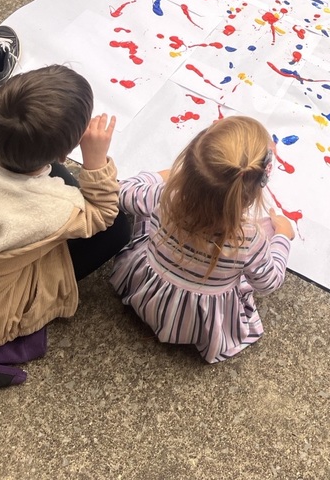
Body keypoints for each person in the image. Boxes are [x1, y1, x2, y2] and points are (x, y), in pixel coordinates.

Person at [0, 65, 130, 349]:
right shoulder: (54, 208)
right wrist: (95, 160)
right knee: (118, 228)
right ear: (66, 153)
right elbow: (102, 214)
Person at [110, 116, 294, 363]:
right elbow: (269, 282)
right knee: (262, 242)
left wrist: (162, 176)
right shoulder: (249, 239)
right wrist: (282, 236)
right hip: (197, 320)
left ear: (187, 167)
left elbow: (122, 192)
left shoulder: (166, 195)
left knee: (145, 216)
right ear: (251, 194)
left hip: (144, 291)